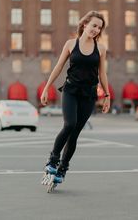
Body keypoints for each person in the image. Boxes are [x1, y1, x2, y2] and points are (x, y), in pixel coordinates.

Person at [40, 11, 110, 190]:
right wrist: (47, 88)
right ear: (85, 24)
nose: (96, 30)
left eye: (99, 28)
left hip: (89, 94)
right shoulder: (71, 44)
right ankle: (53, 160)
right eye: (94, 25)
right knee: (69, 124)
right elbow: (58, 67)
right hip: (71, 90)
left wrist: (107, 96)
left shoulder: (100, 49)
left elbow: (102, 74)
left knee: (76, 133)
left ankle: (62, 170)